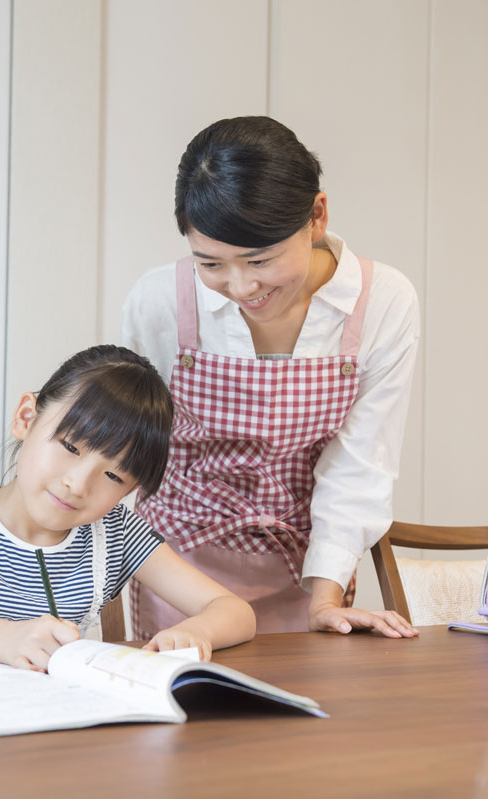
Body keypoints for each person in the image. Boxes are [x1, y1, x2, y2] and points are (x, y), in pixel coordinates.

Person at [122, 116, 421, 640]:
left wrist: (326, 596)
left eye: (260, 259)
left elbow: (361, 464)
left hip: (308, 572)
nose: (240, 286)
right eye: (210, 263)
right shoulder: (161, 300)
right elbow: (129, 444)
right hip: (177, 569)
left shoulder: (384, 302)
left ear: (318, 216)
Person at [0, 345, 256, 669]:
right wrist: (3, 640)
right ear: (26, 418)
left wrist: (199, 631)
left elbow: (235, 611)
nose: (77, 484)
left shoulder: (117, 534)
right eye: (69, 447)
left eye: (114, 477)